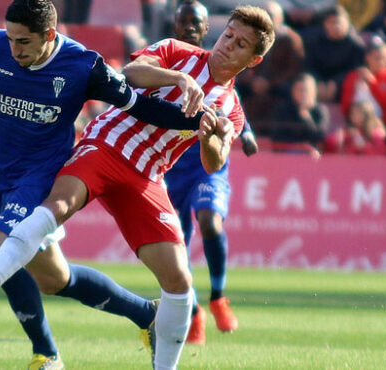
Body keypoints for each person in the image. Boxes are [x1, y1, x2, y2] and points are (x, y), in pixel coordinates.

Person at [0, 1, 208, 368]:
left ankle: (46, 354)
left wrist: (199, 120)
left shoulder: (84, 66)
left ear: (50, 36)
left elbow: (139, 106)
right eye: (11, 39)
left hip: (41, 177)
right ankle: (146, 315)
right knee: (54, 278)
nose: (14, 49)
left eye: (24, 42)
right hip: (0, 176)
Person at [0, 5, 274, 369]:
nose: (228, 44)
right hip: (106, 145)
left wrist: (210, 139)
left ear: (254, 59)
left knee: (180, 283)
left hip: (147, 177)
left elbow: (213, 162)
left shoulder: (231, 109)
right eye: (229, 34)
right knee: (57, 207)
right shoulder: (179, 52)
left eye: (241, 43)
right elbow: (130, 74)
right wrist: (178, 79)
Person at [163, 0, 259, 347]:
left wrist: (245, 132)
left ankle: (218, 296)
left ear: (206, 30)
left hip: (207, 165)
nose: (189, 27)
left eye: (197, 23)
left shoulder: (217, 63)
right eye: (184, 21)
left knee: (210, 222)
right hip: (169, 167)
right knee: (176, 248)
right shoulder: (169, 59)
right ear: (174, 24)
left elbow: (229, 99)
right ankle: (193, 314)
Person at [236, 1, 304, 134]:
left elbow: (293, 70)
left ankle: (282, 133)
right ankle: (238, 128)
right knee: (233, 89)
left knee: (290, 92)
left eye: (271, 16)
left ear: (280, 18)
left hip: (278, 84)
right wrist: (253, 81)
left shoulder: (290, 40)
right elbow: (239, 64)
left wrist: (269, 83)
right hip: (254, 84)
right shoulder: (249, 38)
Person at [303, 5, 365, 102]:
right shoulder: (315, 42)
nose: (336, 26)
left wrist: (336, 82)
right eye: (332, 22)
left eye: (339, 22)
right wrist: (318, 81)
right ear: (325, 24)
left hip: (342, 86)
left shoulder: (356, 45)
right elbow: (309, 66)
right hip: (319, 85)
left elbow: (355, 69)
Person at [340, 36, 386, 131]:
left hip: (383, 125)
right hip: (356, 125)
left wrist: (372, 82)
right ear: (367, 57)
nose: (382, 62)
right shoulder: (353, 76)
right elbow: (345, 106)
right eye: (378, 58)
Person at [272, 73, 329, 157]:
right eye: (300, 90)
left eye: (306, 90)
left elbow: (320, 136)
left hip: (314, 154)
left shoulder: (320, 111)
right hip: (288, 153)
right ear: (293, 91)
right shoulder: (283, 110)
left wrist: (307, 118)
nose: (303, 94)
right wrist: (299, 146)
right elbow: (277, 136)